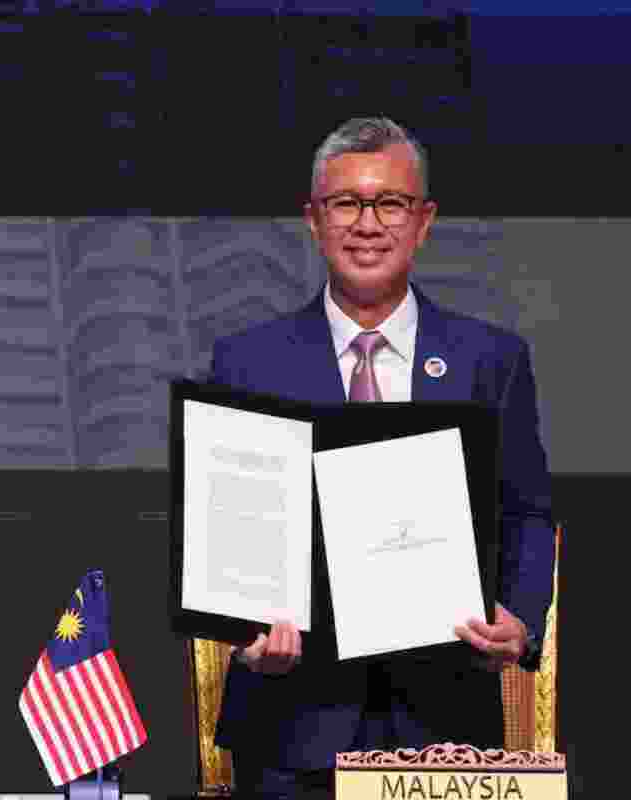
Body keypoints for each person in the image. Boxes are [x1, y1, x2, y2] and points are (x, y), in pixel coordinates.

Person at [208, 117, 554, 799]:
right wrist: (241, 627)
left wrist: (519, 615)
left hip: (446, 725)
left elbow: (529, 510)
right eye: (347, 203)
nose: (368, 224)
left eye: (390, 203)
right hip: (289, 729)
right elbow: (227, 534)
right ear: (313, 220)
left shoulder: (492, 360)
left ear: (422, 222)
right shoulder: (246, 362)